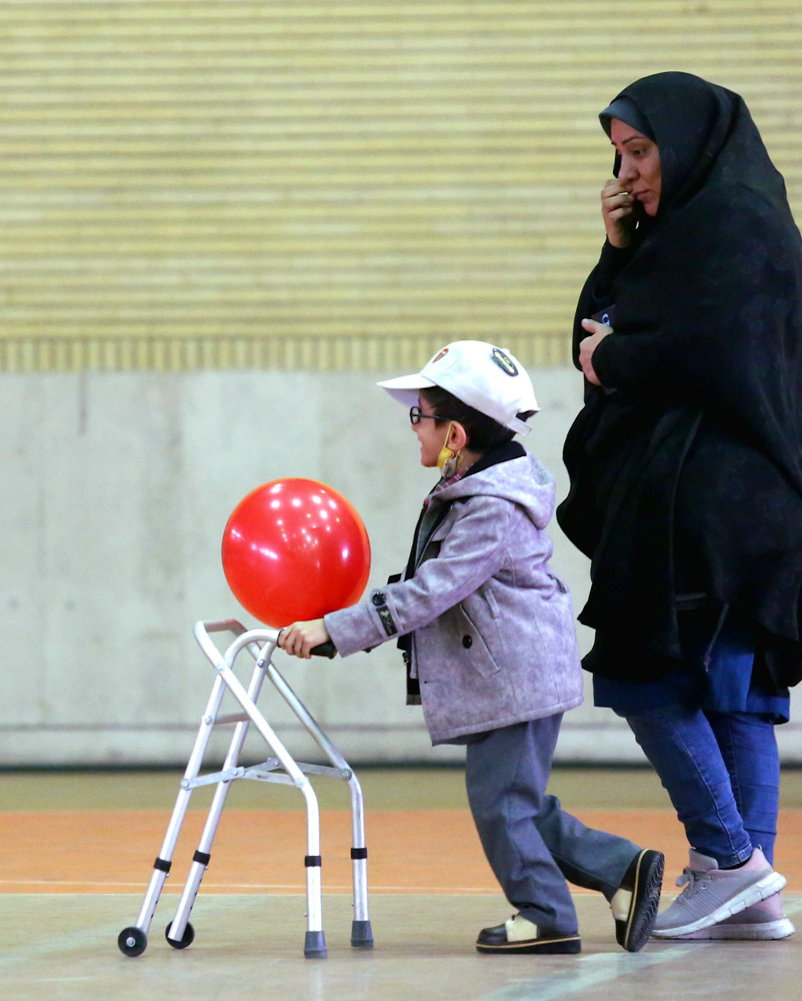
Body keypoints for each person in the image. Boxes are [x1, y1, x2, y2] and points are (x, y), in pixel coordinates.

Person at [279, 341, 665, 955]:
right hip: (513, 673)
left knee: (500, 804)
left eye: (420, 416)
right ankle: (621, 869)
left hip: (516, 677)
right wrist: (348, 626)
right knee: (516, 801)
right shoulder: (474, 491)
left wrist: (338, 628)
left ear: (455, 435)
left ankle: (545, 914)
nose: (414, 428)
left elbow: (431, 591)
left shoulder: (490, 507)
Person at [557, 72, 802, 942]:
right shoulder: (688, 234)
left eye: (640, 150)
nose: (626, 172)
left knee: (643, 674)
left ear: (690, 142)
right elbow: (595, 337)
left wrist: (618, 357)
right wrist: (617, 252)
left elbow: (702, 350)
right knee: (734, 693)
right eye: (618, 155)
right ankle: (752, 892)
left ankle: (729, 859)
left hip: (714, 507)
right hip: (738, 504)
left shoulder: (734, 226)